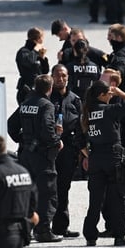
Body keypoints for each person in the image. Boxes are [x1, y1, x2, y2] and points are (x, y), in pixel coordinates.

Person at [81, 80, 125, 246]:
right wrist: (120, 92)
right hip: (113, 158)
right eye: (109, 93)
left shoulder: (87, 113)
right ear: (102, 95)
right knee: (118, 198)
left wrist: (88, 156)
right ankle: (119, 236)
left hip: (96, 158)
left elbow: (79, 139)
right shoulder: (109, 110)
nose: (112, 95)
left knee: (95, 200)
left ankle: (90, 235)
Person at [17, 74, 63, 243]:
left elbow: (11, 125)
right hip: (42, 156)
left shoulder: (25, 103)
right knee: (47, 193)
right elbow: (47, 127)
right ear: (50, 89)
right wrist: (56, 142)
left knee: (27, 192)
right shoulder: (46, 105)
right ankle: (43, 231)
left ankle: (26, 229)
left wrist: (24, 140)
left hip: (26, 154)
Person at [48, 64, 84, 238]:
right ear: (52, 77)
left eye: (63, 76)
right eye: (57, 76)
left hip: (69, 149)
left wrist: (83, 150)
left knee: (64, 188)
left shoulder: (75, 99)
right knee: (48, 188)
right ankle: (44, 226)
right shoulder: (46, 98)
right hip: (49, 150)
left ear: (68, 77)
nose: (60, 79)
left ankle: (61, 227)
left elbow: (82, 126)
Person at [15, 27, 49, 105]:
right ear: (38, 39)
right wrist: (35, 50)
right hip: (26, 89)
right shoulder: (23, 52)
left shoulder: (37, 52)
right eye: (42, 38)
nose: (43, 41)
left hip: (39, 89)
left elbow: (45, 71)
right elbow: (29, 62)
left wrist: (42, 58)